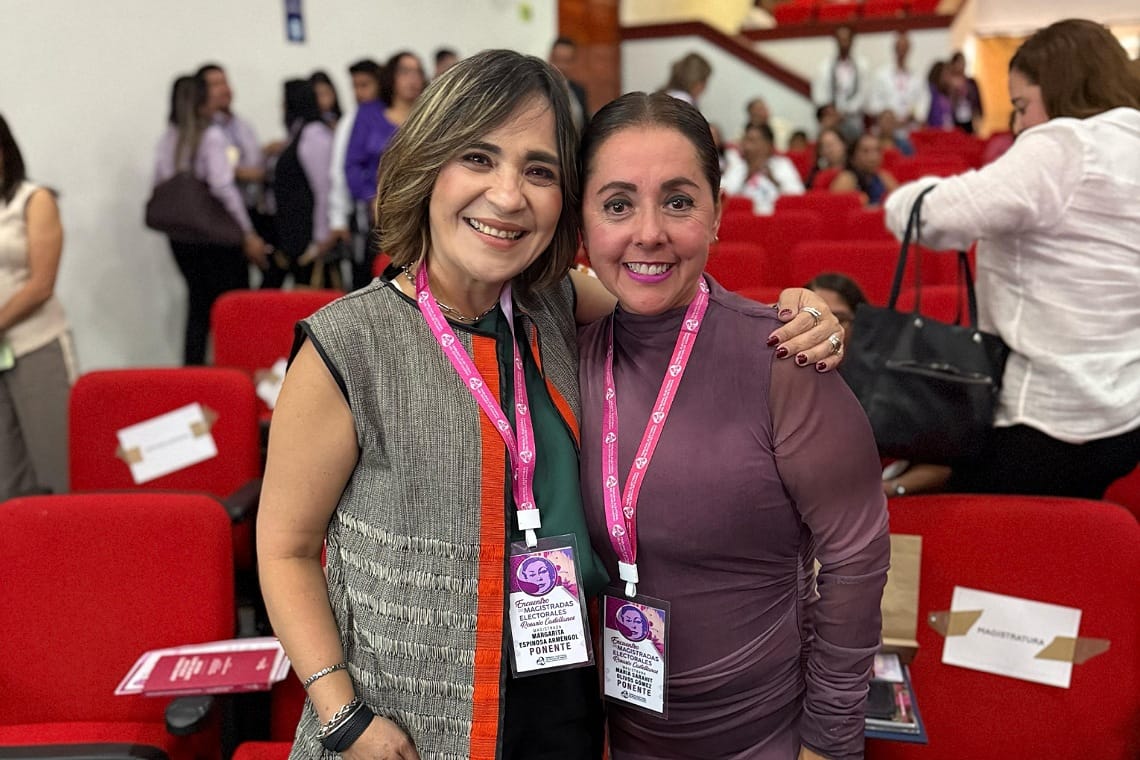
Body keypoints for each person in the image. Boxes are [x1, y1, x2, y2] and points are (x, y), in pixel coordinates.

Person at [258, 51, 847, 760]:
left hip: (563, 700)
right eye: (478, 158)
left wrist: (792, 314)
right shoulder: (349, 345)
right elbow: (286, 549)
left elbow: (672, 304)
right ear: (428, 165)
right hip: (408, 724)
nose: (508, 196)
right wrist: (343, 716)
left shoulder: (559, 304)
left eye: (538, 171)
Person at [576, 91, 889, 759]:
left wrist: (829, 743)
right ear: (582, 218)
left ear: (717, 212)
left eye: (679, 201)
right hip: (610, 735)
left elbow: (856, 560)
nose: (648, 232)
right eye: (617, 205)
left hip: (764, 736)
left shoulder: (786, 359)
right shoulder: (561, 357)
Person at [884, 18, 1140, 499]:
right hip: (1124, 413)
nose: (1018, 125)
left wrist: (907, 195)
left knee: (956, 511)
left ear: (1061, 87)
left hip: (1046, 417)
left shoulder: (1063, 145)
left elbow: (934, 217)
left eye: (1022, 107)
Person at [152, 75, 268, 365]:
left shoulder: (169, 138)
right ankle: (236, 369)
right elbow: (222, 186)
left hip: (181, 237)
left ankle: (194, 371)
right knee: (232, 305)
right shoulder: (211, 137)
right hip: (215, 236)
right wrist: (247, 232)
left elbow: (159, 180)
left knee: (198, 305)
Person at [0, 113, 76, 500]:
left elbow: (41, 285)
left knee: (56, 461)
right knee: (6, 474)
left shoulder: (33, 199)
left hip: (35, 342)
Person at [345, 51, 425, 287]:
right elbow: (351, 164)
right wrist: (371, 197)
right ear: (391, 76)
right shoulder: (369, 113)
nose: (412, 78)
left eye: (418, 71)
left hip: (420, 212)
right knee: (376, 279)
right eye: (405, 71)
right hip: (378, 215)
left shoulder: (428, 117)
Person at [265, 79, 335, 289]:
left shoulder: (314, 134)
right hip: (294, 235)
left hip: (310, 237)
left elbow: (323, 188)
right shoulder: (297, 133)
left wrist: (321, 237)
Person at [327, 59, 383, 290]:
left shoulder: (392, 115)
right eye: (355, 86)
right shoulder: (351, 120)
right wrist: (338, 219)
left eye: (365, 85)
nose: (359, 93)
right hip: (364, 215)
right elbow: (340, 171)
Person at [722, 122, 804, 215]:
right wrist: (746, 177)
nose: (745, 145)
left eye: (751, 141)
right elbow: (723, 199)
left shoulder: (782, 164)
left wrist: (773, 180)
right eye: (745, 140)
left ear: (768, 145)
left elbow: (798, 196)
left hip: (776, 219)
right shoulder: (737, 167)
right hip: (745, 219)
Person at [811, 25, 869, 141]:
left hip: (853, 120)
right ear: (836, 41)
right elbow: (819, 95)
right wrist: (832, 113)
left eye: (846, 39)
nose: (843, 43)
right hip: (831, 119)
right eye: (840, 39)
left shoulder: (862, 66)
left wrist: (844, 112)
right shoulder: (824, 66)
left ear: (852, 41)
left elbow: (864, 94)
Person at [869, 32, 928, 134]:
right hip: (887, 130)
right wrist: (889, 117)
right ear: (894, 49)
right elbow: (874, 103)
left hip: (909, 128)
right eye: (899, 48)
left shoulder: (917, 77)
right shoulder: (881, 75)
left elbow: (923, 101)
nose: (902, 51)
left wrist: (914, 115)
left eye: (905, 48)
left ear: (909, 50)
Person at [830, 132, 899, 206]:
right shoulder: (846, 179)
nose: (873, 157)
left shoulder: (883, 176)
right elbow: (835, 208)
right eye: (865, 151)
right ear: (853, 157)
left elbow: (900, 200)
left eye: (877, 150)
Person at [549, 37, 589, 132]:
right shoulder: (540, 90)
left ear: (573, 62)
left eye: (566, 61)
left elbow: (585, 124)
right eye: (557, 60)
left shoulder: (579, 90)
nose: (561, 66)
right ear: (550, 59)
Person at [948, 51, 983, 134]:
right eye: (959, 63)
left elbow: (977, 101)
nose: (962, 65)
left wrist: (978, 117)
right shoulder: (949, 82)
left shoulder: (971, 82)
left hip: (969, 117)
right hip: (954, 118)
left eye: (963, 62)